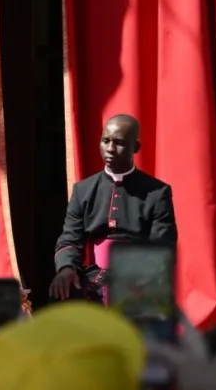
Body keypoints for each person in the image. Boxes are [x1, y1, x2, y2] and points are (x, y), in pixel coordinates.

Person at [50, 114, 177, 302]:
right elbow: (70, 238)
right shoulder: (83, 190)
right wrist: (66, 268)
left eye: (119, 143)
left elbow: (162, 244)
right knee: (63, 292)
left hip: (139, 276)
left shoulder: (157, 192)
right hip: (94, 277)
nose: (110, 149)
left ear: (135, 147)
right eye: (105, 141)